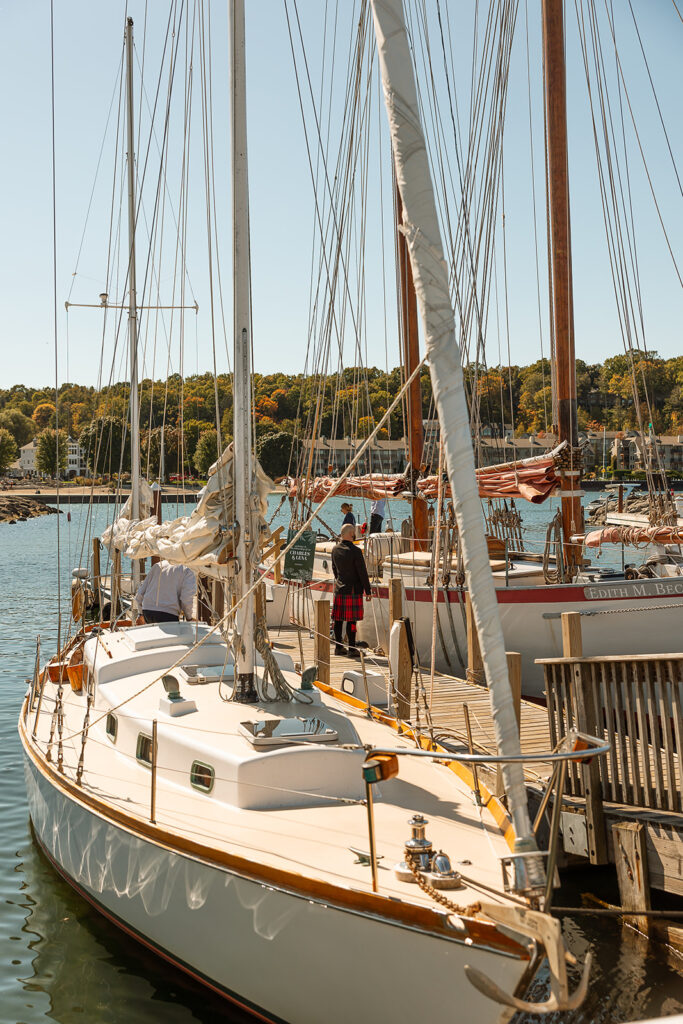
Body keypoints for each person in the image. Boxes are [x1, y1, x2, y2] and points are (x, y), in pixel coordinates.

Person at [331, 523, 372, 657]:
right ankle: (352, 648)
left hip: (339, 589)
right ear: (351, 534)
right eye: (354, 532)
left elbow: (334, 570)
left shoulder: (335, 549)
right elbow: (362, 572)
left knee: (338, 620)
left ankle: (338, 647)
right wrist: (368, 590)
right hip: (353, 591)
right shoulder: (355, 551)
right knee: (352, 621)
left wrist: (339, 581)